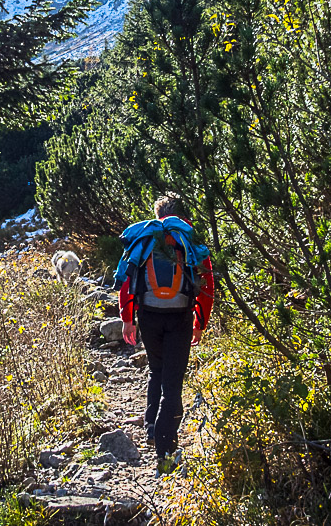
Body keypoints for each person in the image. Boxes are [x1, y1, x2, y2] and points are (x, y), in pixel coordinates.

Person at [115, 193, 214, 473]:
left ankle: (151, 426)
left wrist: (127, 319)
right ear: (183, 214)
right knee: (173, 381)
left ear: (157, 214)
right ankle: (166, 450)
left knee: (156, 370)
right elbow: (206, 285)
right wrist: (200, 323)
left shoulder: (145, 239)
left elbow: (127, 282)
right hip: (180, 316)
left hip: (148, 315)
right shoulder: (189, 240)